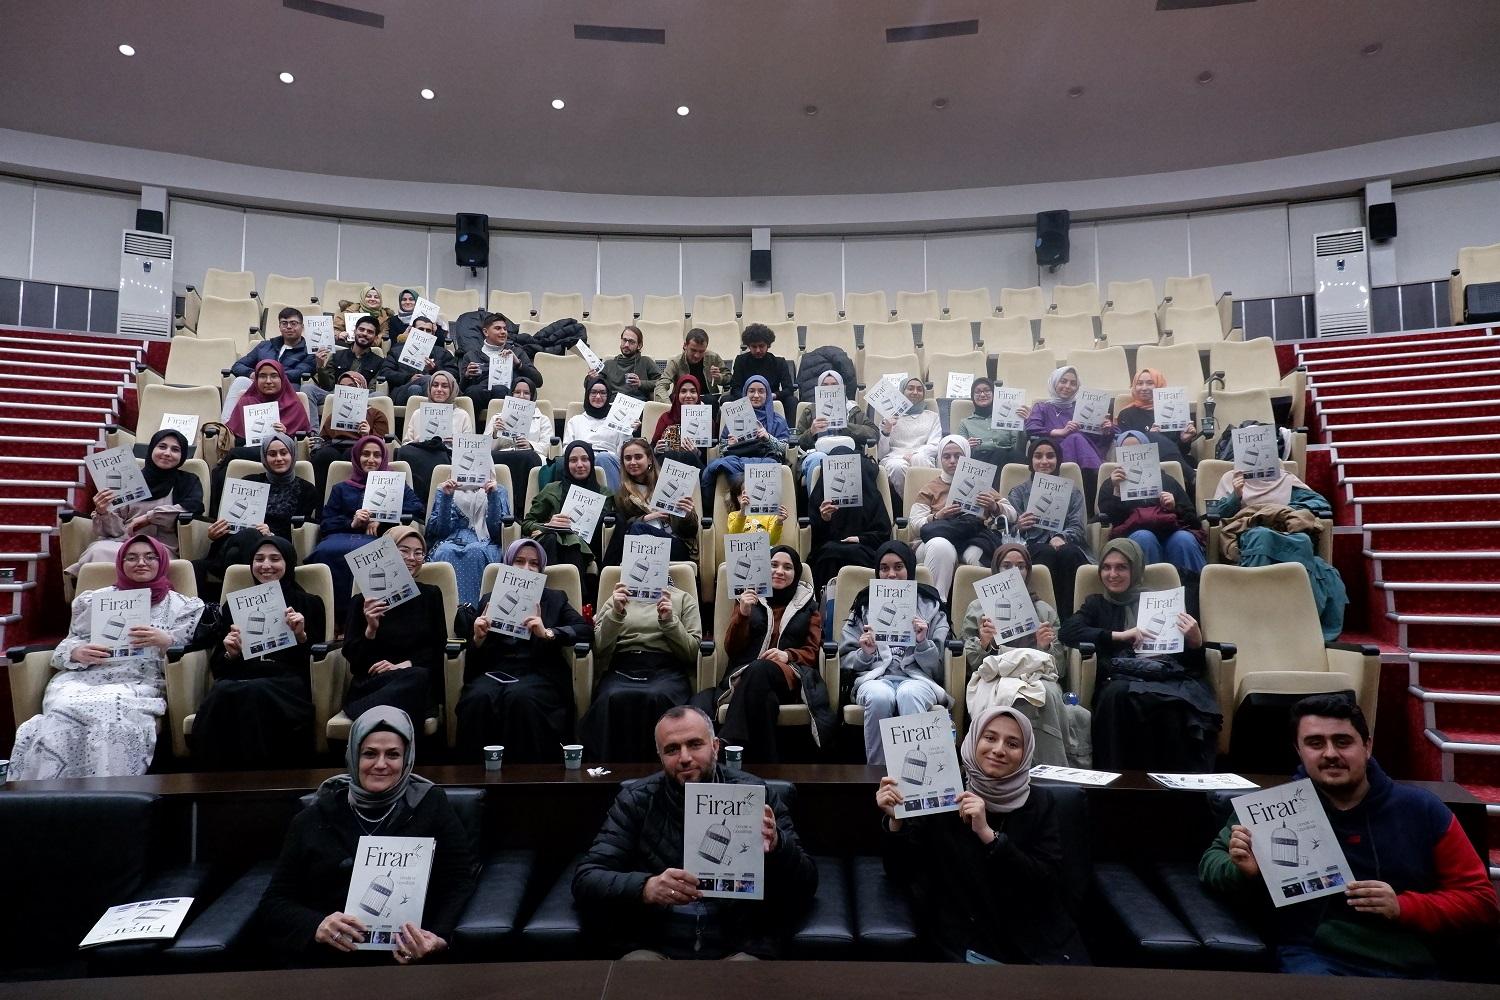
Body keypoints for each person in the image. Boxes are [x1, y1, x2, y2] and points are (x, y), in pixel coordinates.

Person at [1199, 695, 1498, 979]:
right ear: (1299, 751)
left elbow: (1481, 900)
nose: (1330, 754)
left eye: (1342, 741)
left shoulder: (1422, 809)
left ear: (1367, 746)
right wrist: (1242, 871)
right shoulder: (1276, 809)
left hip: (1412, 964)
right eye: (1315, 743)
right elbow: (1210, 861)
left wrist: (1403, 906)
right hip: (1313, 958)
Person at [572, 706, 818, 959]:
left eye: (694, 744)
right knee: (638, 966)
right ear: (660, 756)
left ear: (715, 746)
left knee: (746, 971)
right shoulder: (636, 800)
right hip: (655, 942)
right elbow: (587, 879)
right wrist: (646, 887)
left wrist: (778, 845)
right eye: (672, 749)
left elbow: (807, 881)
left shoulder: (755, 794)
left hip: (738, 943)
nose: (684, 758)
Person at [257, 706, 477, 965]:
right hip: (329, 961)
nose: (381, 764)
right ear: (353, 755)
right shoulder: (314, 817)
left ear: (407, 759)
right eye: (370, 753)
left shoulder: (432, 807)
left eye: (393, 754)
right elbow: (275, 902)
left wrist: (438, 938)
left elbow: (459, 884)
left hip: (410, 961)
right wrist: (317, 924)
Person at [877, 706, 1089, 965]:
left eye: (1013, 743)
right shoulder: (942, 796)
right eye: (989, 738)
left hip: (1034, 943)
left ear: (1026, 753)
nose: (999, 750)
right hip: (966, 944)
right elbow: (899, 872)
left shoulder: (1040, 803)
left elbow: (1045, 883)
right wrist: (897, 820)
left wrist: (989, 835)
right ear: (973, 740)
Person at [10, 535, 204, 780]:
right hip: (86, 677)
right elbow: (68, 643)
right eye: (131, 558)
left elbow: (190, 653)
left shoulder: (182, 606)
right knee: (65, 706)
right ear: (120, 563)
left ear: (162, 562)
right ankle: (52, 790)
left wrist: (166, 641)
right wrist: (77, 652)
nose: (140, 563)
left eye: (150, 557)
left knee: (112, 708)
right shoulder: (94, 600)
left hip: (139, 680)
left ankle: (106, 787)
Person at [1059, 538, 1220, 772]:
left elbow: (1192, 664)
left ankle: (1174, 786)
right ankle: (1119, 780)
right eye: (1106, 567)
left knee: (1176, 705)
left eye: (1121, 567)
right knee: (1117, 696)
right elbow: (1068, 632)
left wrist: (1196, 642)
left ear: (1135, 570)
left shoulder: (1163, 604)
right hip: (1120, 677)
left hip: (1163, 676)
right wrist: (1120, 635)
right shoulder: (1096, 604)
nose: (1112, 574)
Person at [453, 539, 591, 759]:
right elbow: (474, 653)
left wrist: (548, 632)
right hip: (494, 671)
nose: (526, 568)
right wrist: (477, 638)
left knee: (520, 699)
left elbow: (584, 630)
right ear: (508, 565)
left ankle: (528, 774)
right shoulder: (490, 599)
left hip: (539, 672)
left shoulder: (555, 598)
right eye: (519, 561)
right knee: (477, 699)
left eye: (534, 563)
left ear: (541, 569)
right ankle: (475, 774)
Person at [193, 536, 323, 768]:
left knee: (254, 693)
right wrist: (230, 652)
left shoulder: (309, 603)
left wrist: (301, 636)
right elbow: (218, 666)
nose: (266, 565)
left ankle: (261, 778)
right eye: (259, 559)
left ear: (288, 563)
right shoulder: (234, 606)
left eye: (275, 559)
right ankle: (215, 780)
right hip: (241, 677)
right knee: (222, 691)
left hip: (286, 682)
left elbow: (318, 660)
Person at [705, 546, 831, 763]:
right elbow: (732, 648)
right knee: (766, 701)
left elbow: (812, 652)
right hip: (749, 677)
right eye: (773, 565)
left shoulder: (808, 606)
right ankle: (768, 766)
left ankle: (727, 740)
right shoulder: (748, 598)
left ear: (796, 574)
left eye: (787, 567)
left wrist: (787, 655)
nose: (779, 571)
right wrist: (743, 614)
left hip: (789, 675)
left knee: (760, 668)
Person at [840, 540, 951, 765]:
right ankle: (878, 774)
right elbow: (844, 660)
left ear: (909, 569)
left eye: (898, 567)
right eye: (884, 568)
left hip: (917, 679)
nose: (891, 574)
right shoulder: (863, 605)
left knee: (908, 694)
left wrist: (922, 643)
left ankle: (914, 776)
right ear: (877, 572)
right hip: (875, 678)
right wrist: (865, 654)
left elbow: (940, 667)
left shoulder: (932, 606)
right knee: (879, 697)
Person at [579, 563, 703, 763]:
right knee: (610, 697)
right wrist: (616, 613)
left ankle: (664, 769)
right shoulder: (618, 597)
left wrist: (669, 621)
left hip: (666, 668)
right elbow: (599, 648)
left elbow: (692, 652)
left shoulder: (681, 598)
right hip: (623, 667)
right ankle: (606, 772)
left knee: (658, 696)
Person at [1208, 462, 1346, 640]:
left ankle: (1302, 619)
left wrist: (1278, 510)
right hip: (1248, 528)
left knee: (1303, 540)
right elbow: (1215, 513)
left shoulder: (1285, 479)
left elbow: (1319, 504)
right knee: (1262, 536)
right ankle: (1255, 612)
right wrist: (1236, 495)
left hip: (1285, 529)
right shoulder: (1230, 478)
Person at [959, 543, 1069, 766]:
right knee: (1007, 695)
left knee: (1046, 692)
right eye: (1007, 565)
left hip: (1035, 674)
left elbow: (1060, 668)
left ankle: (1045, 768)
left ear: (1028, 571)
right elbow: (970, 663)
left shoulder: (1044, 610)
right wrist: (985, 642)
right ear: (996, 569)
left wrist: (1045, 646)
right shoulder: (978, 608)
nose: (1014, 571)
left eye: (1021, 566)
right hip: (995, 674)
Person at [308, 435, 424, 621]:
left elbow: (417, 507)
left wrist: (382, 518)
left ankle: (371, 617)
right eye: (365, 454)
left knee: (377, 553)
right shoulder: (341, 488)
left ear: (383, 459)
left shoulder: (395, 484)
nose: (371, 459)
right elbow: (326, 522)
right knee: (324, 552)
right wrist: (352, 522)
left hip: (378, 537)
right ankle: (334, 619)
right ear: (356, 457)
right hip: (342, 536)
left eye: (377, 455)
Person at [340, 526, 447, 723]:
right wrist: (371, 629)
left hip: (414, 677)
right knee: (416, 680)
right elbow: (356, 663)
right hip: (374, 683)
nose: (412, 558)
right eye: (404, 551)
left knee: (418, 676)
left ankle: (370, 716)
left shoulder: (431, 595)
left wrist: (404, 665)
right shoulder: (362, 601)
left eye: (419, 553)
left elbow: (438, 647)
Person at [194, 432, 318, 598]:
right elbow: (228, 519)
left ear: (293, 455)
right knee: (247, 537)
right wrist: (214, 532)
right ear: (264, 458)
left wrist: (271, 534)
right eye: (272, 454)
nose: (278, 458)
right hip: (235, 539)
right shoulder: (249, 481)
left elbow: (299, 529)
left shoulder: (306, 489)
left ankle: (225, 600)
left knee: (236, 553)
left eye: (284, 453)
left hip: (276, 546)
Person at [69, 428, 204, 574]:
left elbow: (192, 508)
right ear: (152, 449)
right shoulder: (129, 478)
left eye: (175, 449)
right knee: (97, 552)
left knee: (146, 560)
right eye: (162, 447)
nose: (167, 453)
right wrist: (103, 512)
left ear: (182, 456)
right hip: (125, 543)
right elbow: (116, 531)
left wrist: (149, 518)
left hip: (161, 547)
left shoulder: (188, 481)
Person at [908, 435, 1015, 597]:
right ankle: (937, 603)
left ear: (967, 456)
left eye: (958, 456)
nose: (952, 461)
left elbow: (1012, 515)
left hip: (971, 539)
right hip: (935, 541)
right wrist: (937, 517)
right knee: (941, 546)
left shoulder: (982, 485)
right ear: (940, 459)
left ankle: (980, 607)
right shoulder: (930, 488)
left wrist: (994, 506)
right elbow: (915, 525)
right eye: (946, 456)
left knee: (979, 554)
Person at [1004, 437, 1092, 617]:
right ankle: (1044, 617)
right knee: (1045, 552)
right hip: (1033, 546)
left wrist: (1062, 537)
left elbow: (1077, 526)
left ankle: (1070, 618)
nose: (1044, 461)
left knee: (1069, 553)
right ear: (1031, 461)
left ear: (1058, 460)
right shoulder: (1018, 492)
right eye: (1038, 456)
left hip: (1067, 544)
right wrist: (1019, 526)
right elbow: (1007, 531)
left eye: (1050, 456)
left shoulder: (1073, 492)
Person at [522, 440, 610, 587]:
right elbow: (527, 524)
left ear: (592, 462)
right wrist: (547, 526)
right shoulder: (551, 489)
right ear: (566, 465)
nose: (579, 465)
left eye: (585, 459)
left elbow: (603, 532)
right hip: (551, 543)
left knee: (572, 544)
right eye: (573, 460)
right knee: (551, 538)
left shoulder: (604, 494)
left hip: (584, 548)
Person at [218, 359, 314, 494]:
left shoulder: (294, 404)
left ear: (282, 378)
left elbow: (301, 440)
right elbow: (236, 435)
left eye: (274, 376)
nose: (268, 381)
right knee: (224, 469)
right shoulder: (246, 402)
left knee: (234, 455)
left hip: (279, 454)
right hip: (249, 448)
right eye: (263, 376)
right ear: (256, 379)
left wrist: (285, 435)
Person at [807, 446, 892, 595]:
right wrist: (825, 520)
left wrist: (859, 539)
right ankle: (828, 603)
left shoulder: (870, 494)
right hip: (829, 550)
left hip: (863, 548)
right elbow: (814, 538)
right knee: (830, 553)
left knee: (851, 552)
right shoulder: (821, 494)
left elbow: (883, 532)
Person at [601, 438, 699, 567]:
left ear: (650, 459)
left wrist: (687, 514)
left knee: (637, 529)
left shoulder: (669, 483)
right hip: (641, 547)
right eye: (628, 458)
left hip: (674, 545)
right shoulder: (622, 494)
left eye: (638, 457)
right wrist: (645, 518)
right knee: (636, 529)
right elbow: (622, 528)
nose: (633, 462)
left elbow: (691, 531)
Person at [1096, 465, 1206, 577]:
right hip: (1133, 535)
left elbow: (1193, 520)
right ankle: (1147, 587)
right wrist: (1117, 492)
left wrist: (1175, 507)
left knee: (1183, 539)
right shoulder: (1111, 484)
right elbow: (1109, 519)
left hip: (1171, 532)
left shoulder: (1168, 481)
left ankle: (1196, 586)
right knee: (1144, 537)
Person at [1024, 366, 1113, 503]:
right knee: (1075, 438)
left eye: (1073, 383)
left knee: (1077, 438)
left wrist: (1105, 431)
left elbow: (1097, 441)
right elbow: (1032, 429)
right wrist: (1061, 432)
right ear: (1054, 383)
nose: (1067, 386)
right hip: (1053, 455)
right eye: (1063, 381)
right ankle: (1098, 481)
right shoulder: (1042, 407)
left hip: (1084, 455)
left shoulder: (1082, 407)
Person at [426, 469, 511, 607]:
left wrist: (492, 495)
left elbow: (497, 532)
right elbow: (441, 531)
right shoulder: (445, 488)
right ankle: (448, 612)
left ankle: (473, 612)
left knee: (476, 552)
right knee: (445, 551)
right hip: (451, 539)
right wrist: (447, 497)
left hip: (485, 541)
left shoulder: (498, 490)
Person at [700, 374, 789, 495]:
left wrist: (768, 437)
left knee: (769, 465)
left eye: (761, 391)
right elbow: (721, 451)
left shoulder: (777, 420)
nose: (756, 395)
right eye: (751, 391)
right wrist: (730, 445)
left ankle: (741, 498)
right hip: (737, 460)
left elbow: (784, 450)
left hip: (764, 460)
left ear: (767, 395)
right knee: (714, 466)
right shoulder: (735, 417)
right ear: (745, 394)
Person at [222, 307, 317, 419]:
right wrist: (252, 374)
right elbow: (237, 366)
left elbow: (300, 372)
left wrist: (269, 376)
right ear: (279, 326)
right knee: (241, 381)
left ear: (302, 326)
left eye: (293, 323)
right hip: (258, 386)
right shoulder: (265, 346)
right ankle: (225, 424)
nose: (288, 327)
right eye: (284, 323)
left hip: (285, 389)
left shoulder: (309, 350)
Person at [1114, 368, 1199, 491]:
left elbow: (1183, 450)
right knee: (1150, 436)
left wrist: (1184, 440)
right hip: (1141, 463)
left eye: (1150, 383)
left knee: (1189, 460)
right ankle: (1192, 476)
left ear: (1159, 385)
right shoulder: (1126, 414)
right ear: (1134, 386)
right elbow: (1125, 448)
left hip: (1176, 461)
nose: (1144, 388)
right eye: (1139, 383)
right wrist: (1148, 438)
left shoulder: (1175, 411)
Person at [395, 369, 474, 501]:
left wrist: (457, 443)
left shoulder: (462, 415)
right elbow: (406, 444)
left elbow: (470, 450)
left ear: (452, 390)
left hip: (446, 456)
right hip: (420, 454)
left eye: (444, 386)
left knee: (440, 457)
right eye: (435, 385)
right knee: (404, 452)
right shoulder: (418, 413)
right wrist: (418, 441)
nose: (439, 389)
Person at [310, 369, 389, 497]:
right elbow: (324, 437)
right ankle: (320, 503)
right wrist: (316, 443)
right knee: (323, 456)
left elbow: (381, 444)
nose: (347, 391)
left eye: (352, 387)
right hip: (335, 446)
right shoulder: (334, 415)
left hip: (361, 447)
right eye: (342, 388)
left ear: (361, 388)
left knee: (351, 453)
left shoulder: (376, 415)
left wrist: (367, 435)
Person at [794, 369, 878, 483]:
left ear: (842, 388)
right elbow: (797, 442)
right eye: (825, 385)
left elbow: (873, 433)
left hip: (847, 452)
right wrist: (811, 431)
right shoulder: (809, 411)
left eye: (834, 385)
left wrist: (846, 426)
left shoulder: (852, 410)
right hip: (816, 452)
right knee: (818, 459)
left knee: (850, 458)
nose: (830, 388)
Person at [484, 375, 550, 510]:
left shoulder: (542, 419)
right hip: (504, 454)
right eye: (517, 392)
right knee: (488, 459)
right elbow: (484, 448)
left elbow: (547, 446)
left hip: (529, 455)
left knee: (527, 457)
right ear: (511, 394)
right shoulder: (497, 418)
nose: (521, 396)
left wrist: (530, 445)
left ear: (532, 396)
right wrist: (495, 433)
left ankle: (521, 509)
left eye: (526, 393)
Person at [457, 311, 543, 416]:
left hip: (508, 399)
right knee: (472, 392)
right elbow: (462, 390)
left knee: (500, 389)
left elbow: (538, 381)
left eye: (505, 329)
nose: (503, 332)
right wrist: (467, 376)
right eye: (498, 328)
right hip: (479, 398)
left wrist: (518, 364)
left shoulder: (516, 352)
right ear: (486, 332)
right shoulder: (471, 356)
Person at [877, 376, 941, 502]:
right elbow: (881, 453)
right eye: (910, 388)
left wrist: (915, 454)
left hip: (922, 455)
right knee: (897, 466)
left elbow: (935, 445)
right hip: (894, 457)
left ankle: (924, 501)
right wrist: (887, 431)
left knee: (919, 459)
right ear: (902, 392)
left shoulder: (932, 416)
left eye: (919, 389)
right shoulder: (889, 417)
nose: (915, 392)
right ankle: (913, 503)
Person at [563, 375, 633, 490]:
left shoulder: (618, 421)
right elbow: (567, 449)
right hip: (583, 459)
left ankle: (611, 500)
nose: (598, 396)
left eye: (603, 393)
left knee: (603, 458)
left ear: (608, 395)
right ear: (587, 395)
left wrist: (628, 429)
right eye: (594, 392)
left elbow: (625, 450)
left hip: (609, 459)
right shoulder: (575, 420)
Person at [378, 315, 458, 406]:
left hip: (435, 391)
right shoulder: (397, 351)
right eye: (420, 329)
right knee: (422, 383)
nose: (424, 333)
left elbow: (454, 375)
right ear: (411, 331)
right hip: (402, 391)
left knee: (416, 388)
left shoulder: (442, 353)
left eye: (428, 330)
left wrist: (434, 370)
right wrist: (408, 378)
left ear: (433, 334)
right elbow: (385, 372)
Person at [958, 377, 1028, 470]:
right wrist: (967, 446)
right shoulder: (965, 423)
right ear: (972, 396)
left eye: (987, 390)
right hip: (980, 461)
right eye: (977, 392)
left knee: (1012, 455)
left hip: (1007, 459)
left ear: (994, 394)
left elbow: (1018, 445)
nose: (982, 394)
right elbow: (960, 451)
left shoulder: (1007, 418)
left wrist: (1024, 422)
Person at [312, 314, 383, 401]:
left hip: (361, 399)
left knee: (378, 395)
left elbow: (372, 389)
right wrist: (320, 366)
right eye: (361, 329)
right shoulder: (337, 356)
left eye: (370, 332)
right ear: (354, 331)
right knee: (308, 388)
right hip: (335, 396)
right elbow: (327, 386)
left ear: (375, 337)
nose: (364, 333)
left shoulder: (379, 362)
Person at [728, 323, 796, 412]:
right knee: (726, 400)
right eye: (754, 346)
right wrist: (748, 397)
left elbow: (789, 389)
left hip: (772, 398)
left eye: (761, 346)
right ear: (748, 346)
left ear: (768, 345)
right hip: (746, 399)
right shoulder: (741, 361)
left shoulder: (779, 362)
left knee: (792, 401)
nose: (758, 350)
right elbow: (735, 388)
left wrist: (773, 395)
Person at [654, 328, 731, 407]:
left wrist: (719, 377)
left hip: (708, 400)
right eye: (693, 350)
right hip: (683, 400)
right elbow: (661, 385)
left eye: (701, 351)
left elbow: (729, 378)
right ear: (685, 345)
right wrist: (668, 407)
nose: (697, 355)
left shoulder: (713, 358)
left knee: (711, 400)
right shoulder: (675, 362)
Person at [651, 374, 714, 470]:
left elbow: (710, 457)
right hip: (666, 466)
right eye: (683, 391)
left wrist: (697, 452)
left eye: (693, 391)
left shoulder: (707, 420)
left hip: (694, 468)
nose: (688, 396)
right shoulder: (666, 418)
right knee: (670, 455)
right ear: (677, 394)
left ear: (698, 395)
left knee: (689, 456)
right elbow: (651, 448)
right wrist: (656, 450)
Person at [601, 325, 660, 402]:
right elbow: (595, 384)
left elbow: (662, 382)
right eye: (624, 340)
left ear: (639, 345)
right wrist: (591, 378)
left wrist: (640, 383)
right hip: (612, 404)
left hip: (637, 404)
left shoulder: (646, 362)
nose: (626, 345)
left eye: (631, 342)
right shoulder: (608, 364)